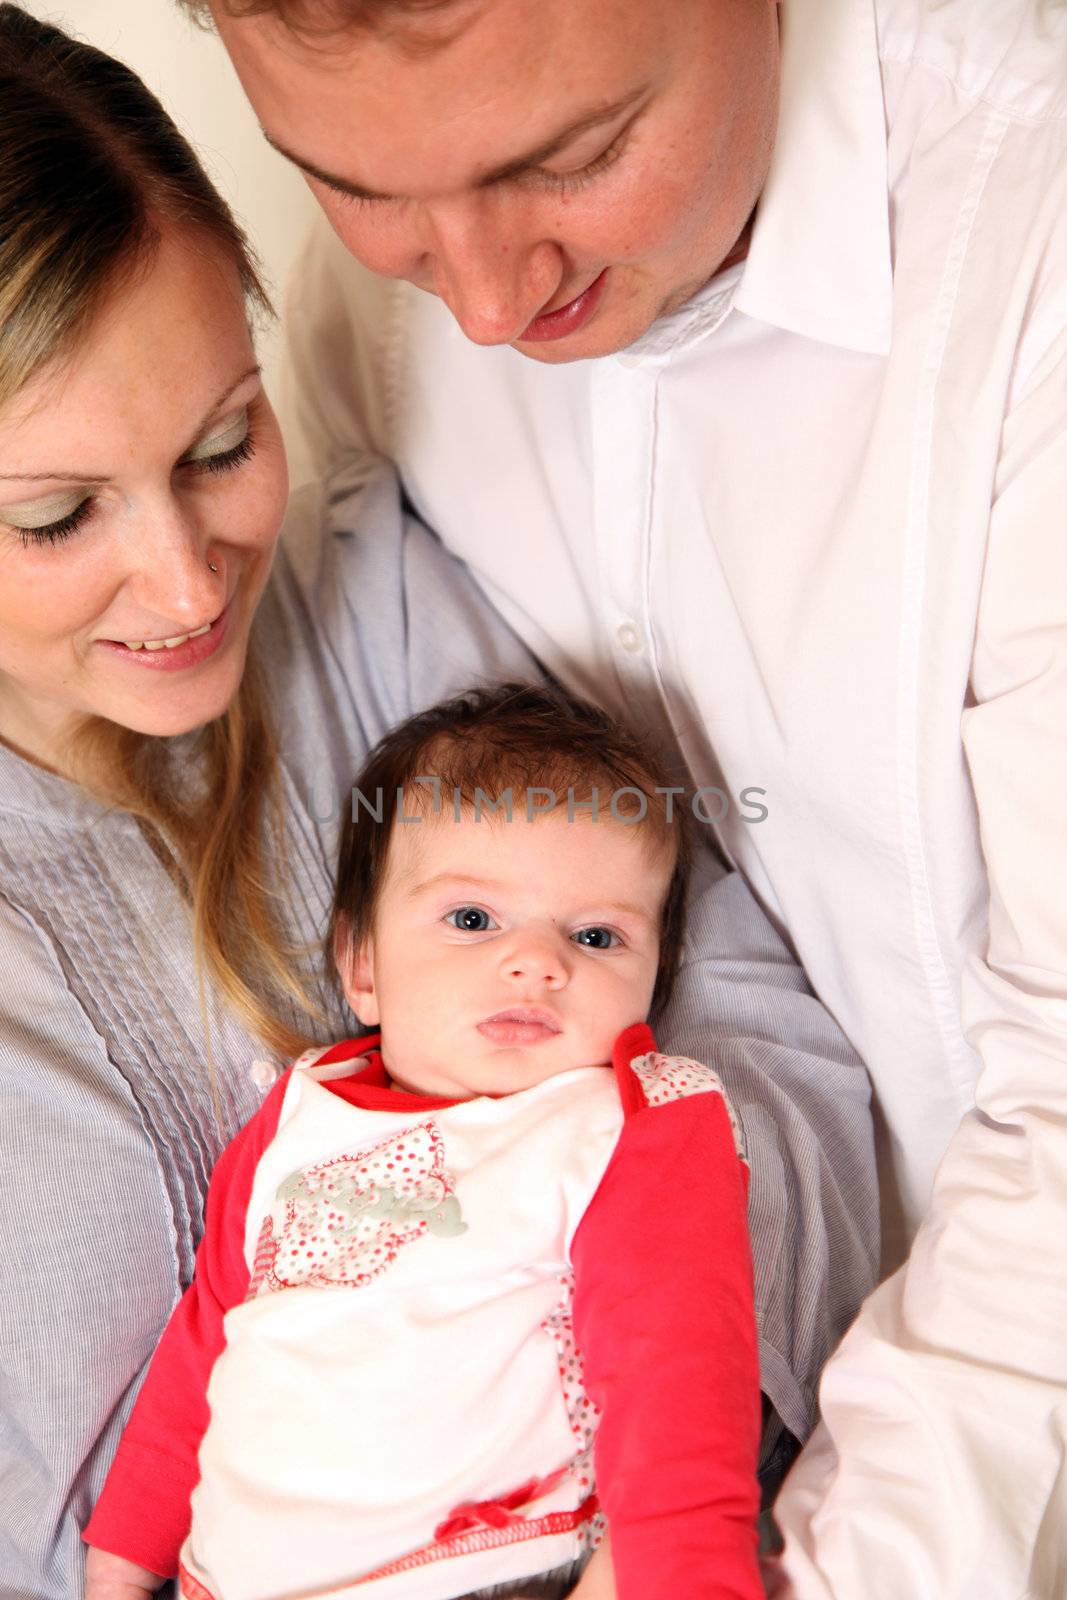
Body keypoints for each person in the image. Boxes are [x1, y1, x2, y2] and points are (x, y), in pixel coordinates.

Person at [184, 0, 1067, 1595]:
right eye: (361, 189)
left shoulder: (1031, 263)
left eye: (576, 156)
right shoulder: (368, 317)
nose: (482, 298)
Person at [0, 8, 878, 1598]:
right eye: (57, 516)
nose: (190, 580)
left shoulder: (377, 600)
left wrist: (605, 1380)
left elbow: (770, 1045)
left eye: (220, 440)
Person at [83, 682, 765, 1600]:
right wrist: (121, 1560)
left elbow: (682, 1380)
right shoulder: (298, 1115)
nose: (535, 961)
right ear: (362, 966)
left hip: (489, 1564)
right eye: (473, 920)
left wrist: (680, 1578)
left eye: (596, 935)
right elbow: (209, 1336)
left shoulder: (625, 1129)